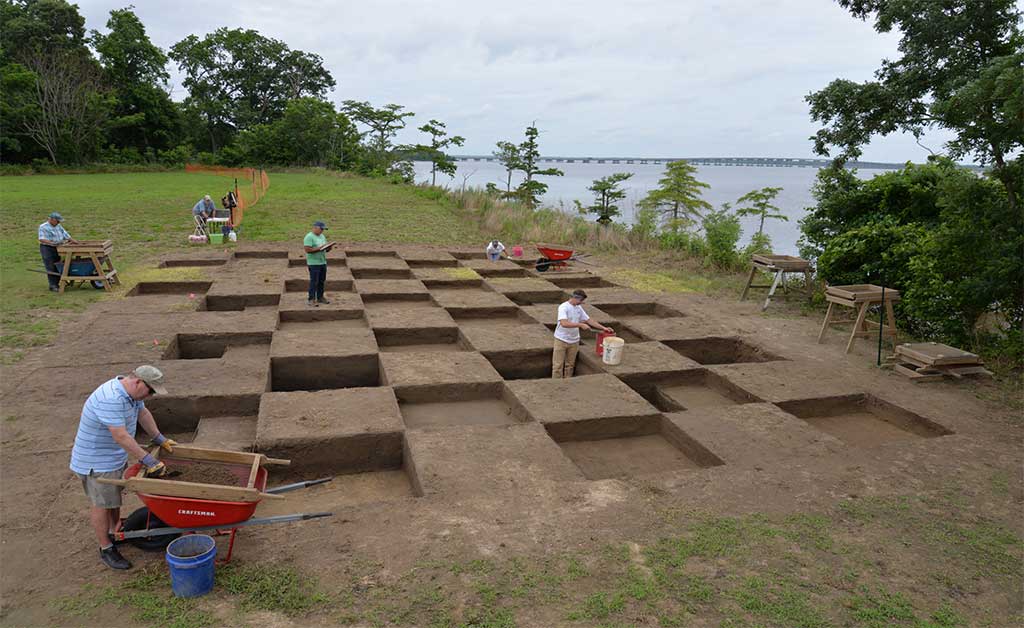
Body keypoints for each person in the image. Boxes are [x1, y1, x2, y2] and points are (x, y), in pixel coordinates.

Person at [69, 365, 175, 570]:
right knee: (101, 503)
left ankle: (115, 530)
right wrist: (149, 460)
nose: (151, 396)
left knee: (112, 498)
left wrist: (159, 438)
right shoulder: (111, 399)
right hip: (96, 460)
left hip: (112, 457)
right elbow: (120, 435)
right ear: (138, 382)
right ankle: (106, 547)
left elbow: (143, 415)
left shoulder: (131, 395)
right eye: (150, 391)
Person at [552, 289, 614, 378]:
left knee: (570, 365)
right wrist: (580, 325)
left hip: (574, 341)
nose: (581, 303)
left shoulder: (578, 308)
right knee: (557, 366)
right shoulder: (563, 307)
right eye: (581, 301)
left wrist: (604, 328)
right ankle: (556, 384)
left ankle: (567, 382)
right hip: (561, 339)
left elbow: (588, 320)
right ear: (576, 298)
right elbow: (564, 323)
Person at [38, 211, 77, 292]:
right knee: (50, 266)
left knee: (58, 265)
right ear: (51, 219)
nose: (59, 222)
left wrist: (73, 240)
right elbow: (42, 239)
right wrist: (52, 243)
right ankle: (53, 285)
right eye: (57, 221)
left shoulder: (58, 225)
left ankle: (59, 283)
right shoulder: (43, 227)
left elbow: (65, 234)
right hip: (47, 248)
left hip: (58, 248)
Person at [303, 220, 335, 306]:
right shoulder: (309, 237)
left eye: (323, 229)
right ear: (315, 228)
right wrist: (320, 248)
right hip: (313, 263)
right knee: (314, 281)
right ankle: (311, 299)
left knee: (321, 281)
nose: (322, 231)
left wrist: (328, 248)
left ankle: (320, 297)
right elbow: (307, 250)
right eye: (321, 229)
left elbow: (325, 249)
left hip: (322, 262)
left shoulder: (322, 236)